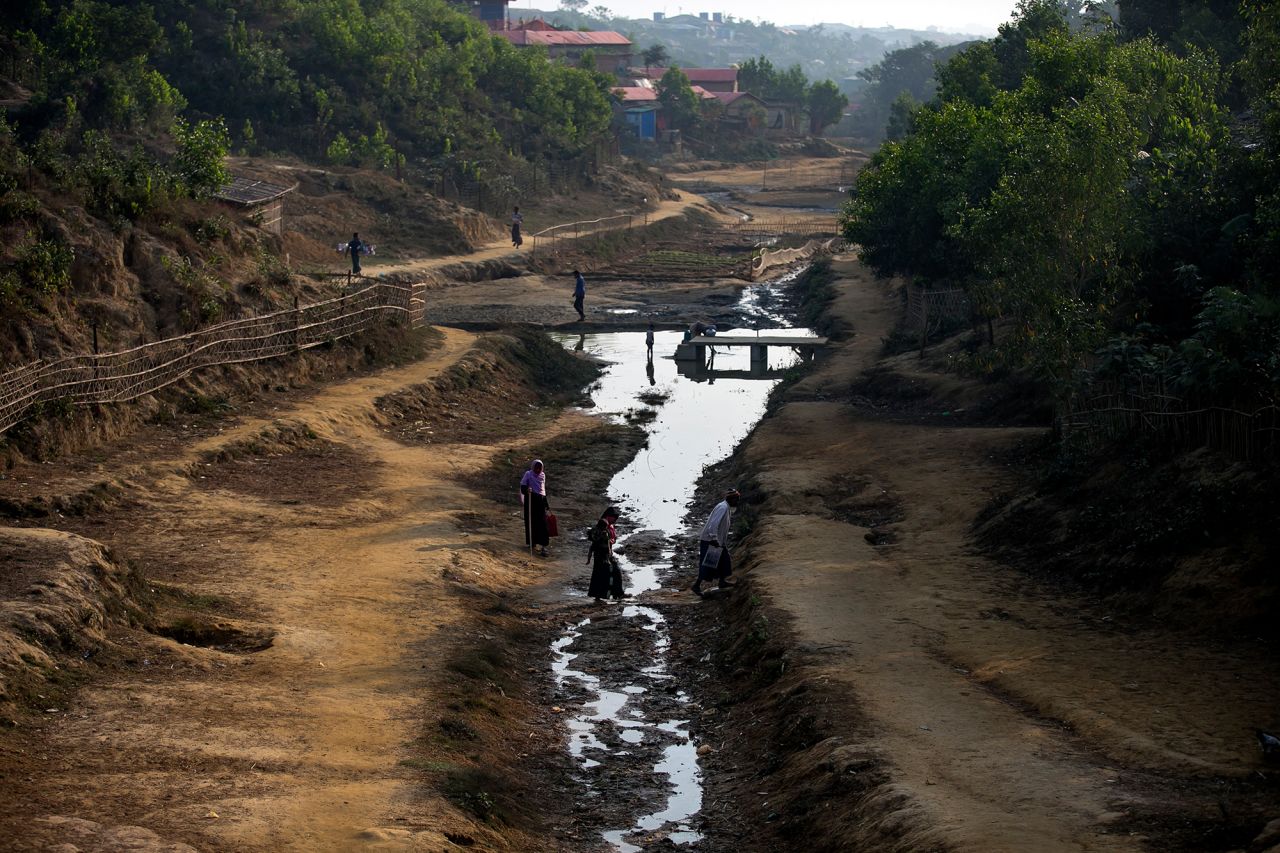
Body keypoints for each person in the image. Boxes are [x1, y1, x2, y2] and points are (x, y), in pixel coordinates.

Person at [694, 489, 740, 596]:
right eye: (736, 499)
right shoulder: (723, 508)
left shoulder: (726, 507)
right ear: (731, 499)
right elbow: (713, 525)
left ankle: (722, 582)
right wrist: (714, 538)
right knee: (708, 564)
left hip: (718, 540)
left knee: (724, 560)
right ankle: (696, 586)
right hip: (710, 539)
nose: (737, 502)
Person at [587, 506, 625, 602]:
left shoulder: (610, 526)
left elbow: (613, 538)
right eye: (614, 518)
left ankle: (616, 594)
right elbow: (595, 539)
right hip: (601, 554)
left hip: (608, 553)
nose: (615, 520)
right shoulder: (601, 525)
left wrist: (612, 541)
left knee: (613, 572)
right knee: (602, 574)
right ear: (609, 516)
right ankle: (602, 595)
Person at [519, 460, 550, 557]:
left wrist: (546, 505)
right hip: (531, 500)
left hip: (540, 502)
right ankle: (532, 543)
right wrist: (527, 489)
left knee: (543, 524)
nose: (538, 470)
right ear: (533, 467)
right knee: (531, 522)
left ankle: (544, 546)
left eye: (540, 468)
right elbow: (523, 486)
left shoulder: (543, 475)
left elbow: (542, 490)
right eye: (536, 468)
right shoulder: (528, 474)